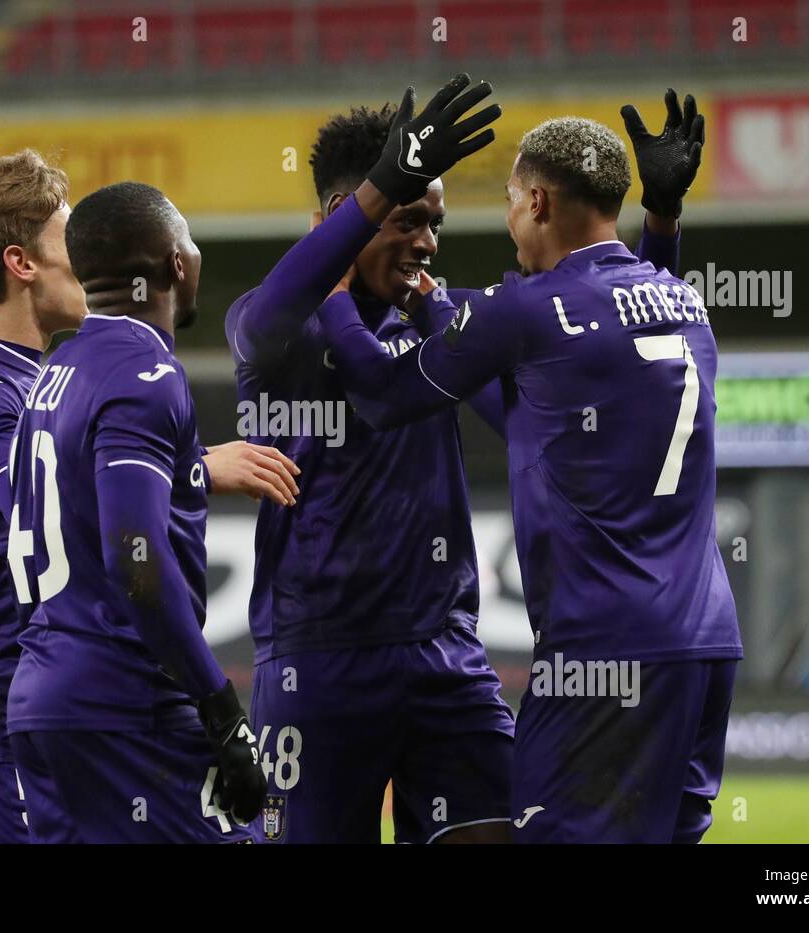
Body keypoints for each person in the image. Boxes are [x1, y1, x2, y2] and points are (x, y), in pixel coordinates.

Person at [316, 96, 741, 843]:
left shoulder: (527, 309)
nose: (509, 219)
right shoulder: (681, 299)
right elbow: (598, 332)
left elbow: (386, 395)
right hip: (706, 642)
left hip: (603, 649)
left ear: (537, 201)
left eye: (511, 201)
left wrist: (335, 303)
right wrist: (665, 218)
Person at [0, 153, 296, 844]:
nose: (86, 262)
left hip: (28, 687)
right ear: (21, 263)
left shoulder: (45, 378)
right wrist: (196, 466)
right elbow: (44, 498)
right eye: (68, 240)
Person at [6, 182, 276, 843]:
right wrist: (220, 707)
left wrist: (192, 471)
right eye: (188, 239)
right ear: (175, 264)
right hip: (125, 704)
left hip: (43, 697)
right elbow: (136, 562)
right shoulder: (143, 375)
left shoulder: (52, 374)